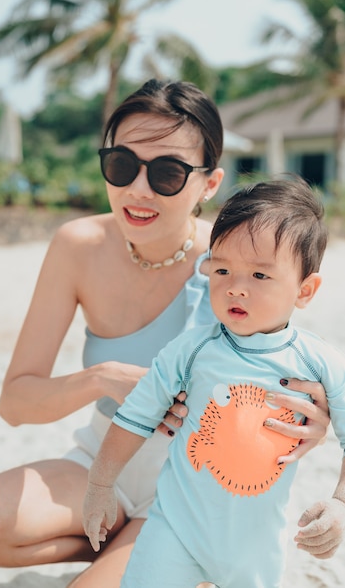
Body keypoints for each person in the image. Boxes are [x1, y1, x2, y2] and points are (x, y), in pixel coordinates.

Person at [0, 80, 333, 588]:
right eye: (121, 165)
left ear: (209, 183)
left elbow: (285, 369)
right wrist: (101, 379)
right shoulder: (77, 246)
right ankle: (130, 550)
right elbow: (15, 402)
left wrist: (318, 419)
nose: (138, 190)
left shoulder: (235, 257)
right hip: (100, 454)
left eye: (168, 173)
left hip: (193, 482)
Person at [83, 178, 345, 588]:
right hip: (176, 529)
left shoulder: (321, 362)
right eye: (222, 269)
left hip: (256, 545)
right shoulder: (190, 350)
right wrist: (100, 483)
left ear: (305, 289)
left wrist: (340, 504)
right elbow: (135, 415)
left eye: (260, 275)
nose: (235, 286)